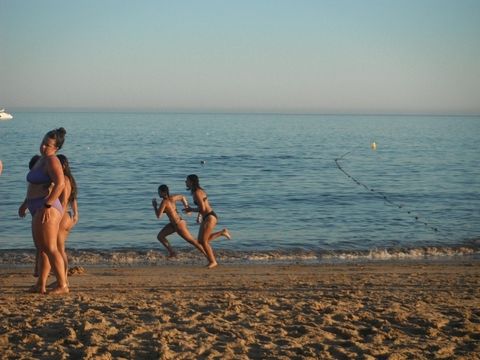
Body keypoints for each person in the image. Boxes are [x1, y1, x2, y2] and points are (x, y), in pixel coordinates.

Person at [18, 128, 69, 294]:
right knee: (41, 248)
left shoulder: (52, 161)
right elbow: (34, 185)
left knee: (51, 248)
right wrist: (25, 204)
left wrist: (48, 204)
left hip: (46, 208)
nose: (43, 147)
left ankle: (63, 285)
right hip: (36, 206)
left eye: (47, 145)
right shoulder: (42, 160)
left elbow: (60, 184)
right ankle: (41, 284)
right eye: (43, 143)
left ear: (56, 148)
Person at [183, 174, 231, 269]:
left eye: (187, 180)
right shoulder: (197, 192)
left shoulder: (197, 193)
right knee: (201, 241)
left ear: (192, 182)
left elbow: (203, 208)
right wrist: (199, 216)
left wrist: (191, 209)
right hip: (207, 217)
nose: (185, 182)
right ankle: (222, 232)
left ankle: (213, 262)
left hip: (210, 217)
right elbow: (203, 207)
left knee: (204, 242)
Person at [152, 184, 207, 258]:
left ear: (163, 192)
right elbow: (182, 197)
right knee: (160, 236)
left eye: (159, 192)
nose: (158, 193)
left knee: (192, 241)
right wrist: (186, 207)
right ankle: (172, 253)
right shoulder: (172, 198)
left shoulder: (164, 202)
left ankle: (207, 254)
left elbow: (158, 216)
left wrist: (155, 206)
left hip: (179, 224)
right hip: (173, 224)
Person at [57, 154, 79, 281]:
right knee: (60, 249)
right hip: (67, 216)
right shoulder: (69, 178)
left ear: (63, 166)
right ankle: (63, 278)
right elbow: (73, 198)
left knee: (59, 249)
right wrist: (76, 214)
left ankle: (63, 279)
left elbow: (64, 201)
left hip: (62, 216)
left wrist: (57, 216)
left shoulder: (64, 179)